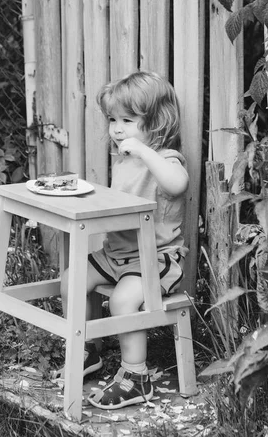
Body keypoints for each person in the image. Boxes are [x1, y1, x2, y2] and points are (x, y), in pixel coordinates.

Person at [57, 70, 189, 410]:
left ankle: (136, 376)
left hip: (155, 258)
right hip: (116, 253)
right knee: (71, 280)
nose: (117, 128)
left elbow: (177, 185)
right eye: (113, 119)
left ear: (157, 121)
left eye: (128, 120)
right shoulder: (125, 158)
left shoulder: (166, 160)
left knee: (122, 301)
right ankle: (88, 349)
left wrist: (147, 153)